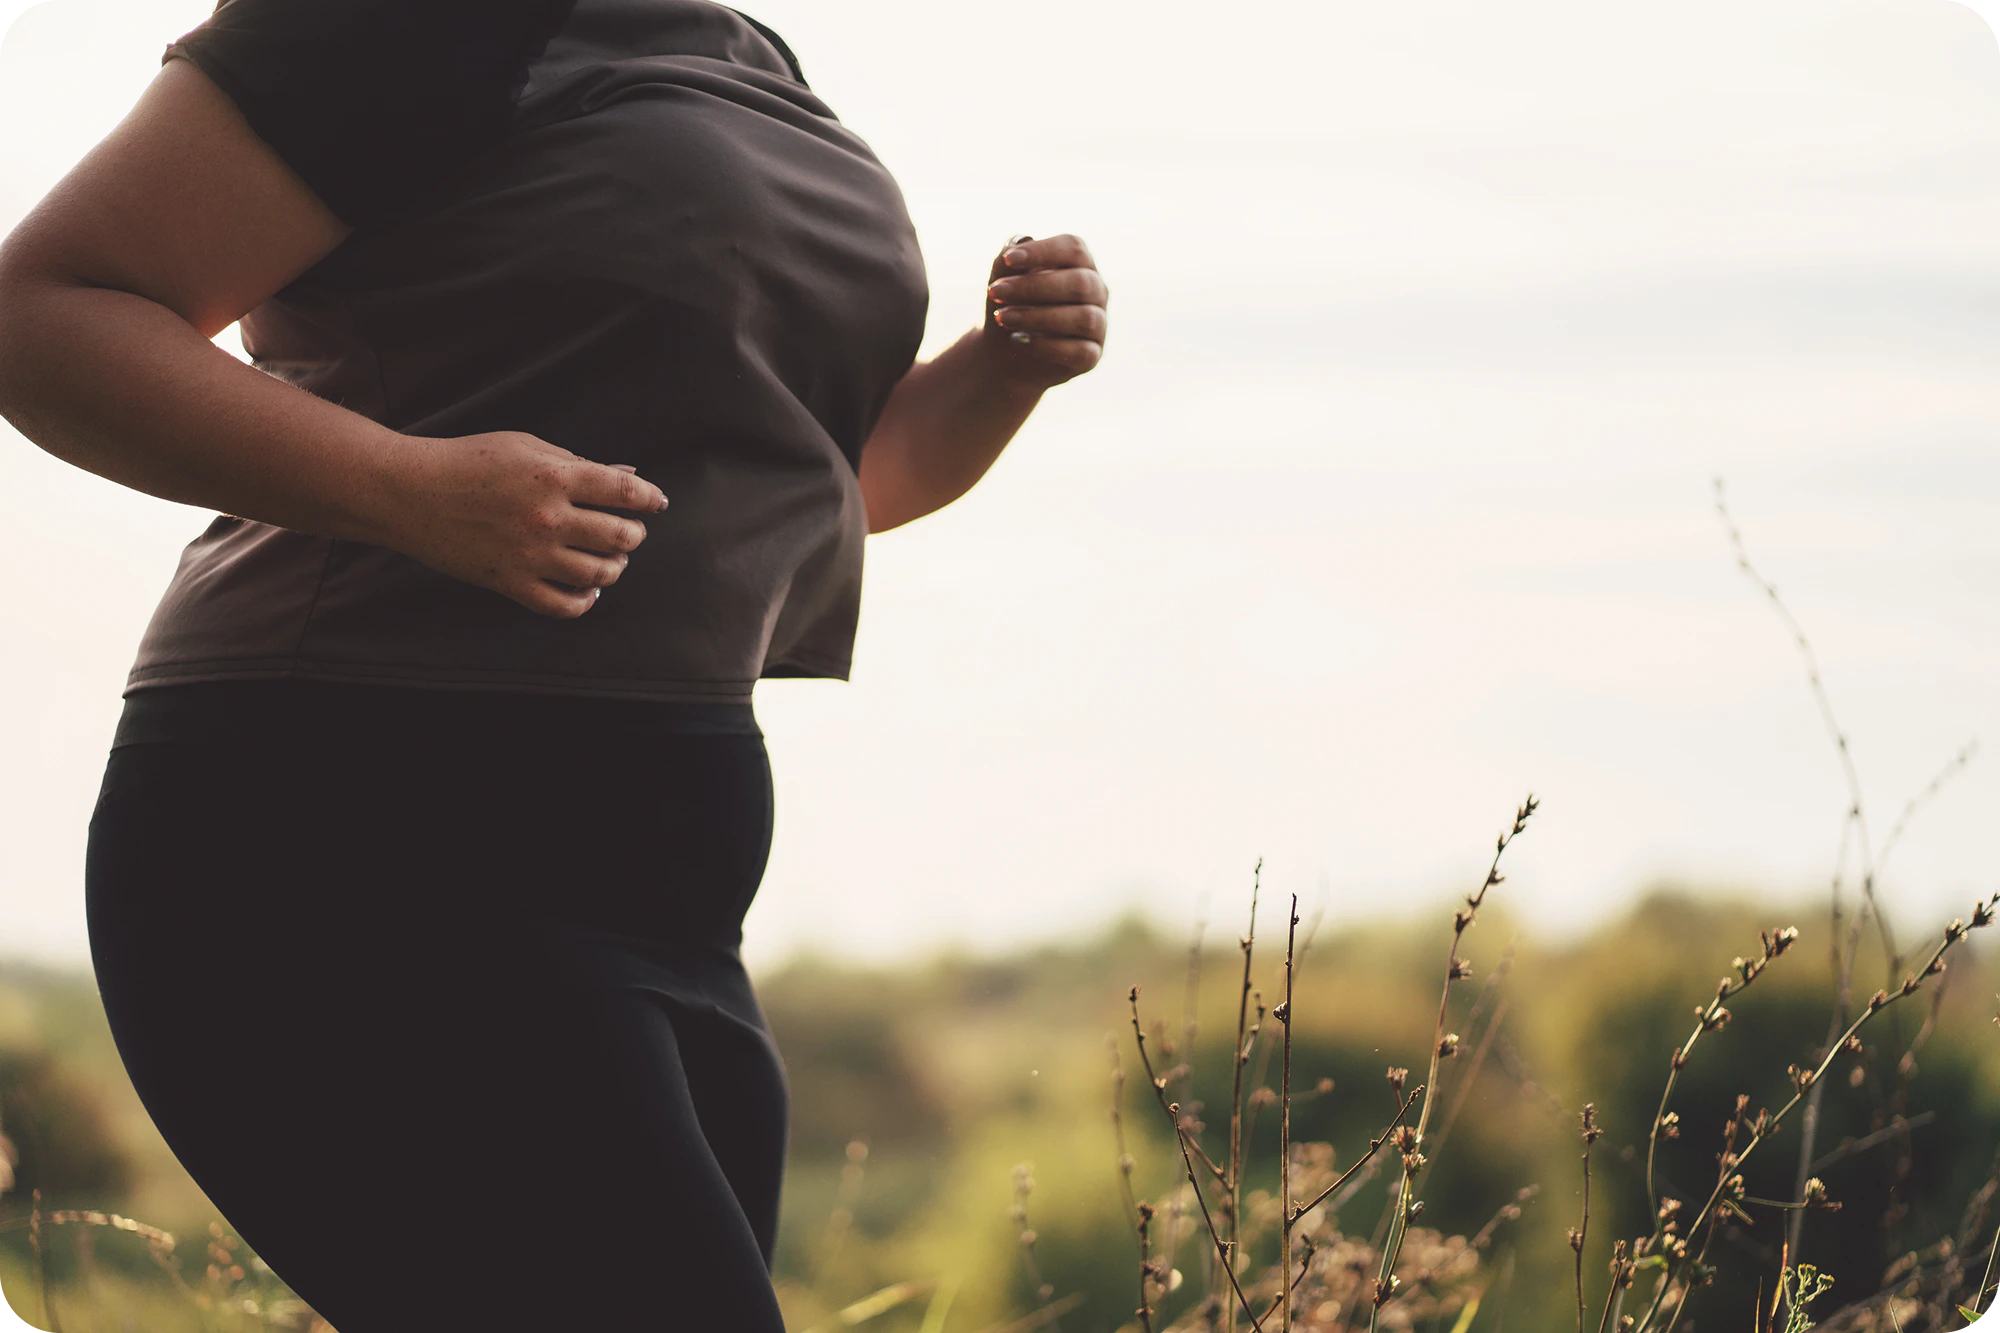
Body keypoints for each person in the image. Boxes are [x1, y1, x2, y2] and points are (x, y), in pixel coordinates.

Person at [0, 0, 1109, 1327]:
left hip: (661, 883)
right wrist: (408, 488)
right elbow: (42, 313)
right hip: (353, 835)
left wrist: (1000, 371)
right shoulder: (394, 19)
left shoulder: (738, 56)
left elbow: (806, 484)